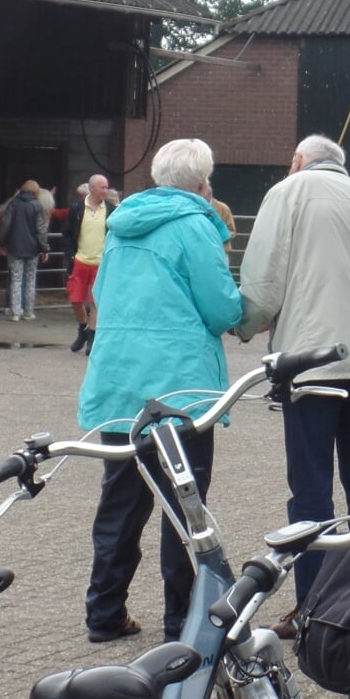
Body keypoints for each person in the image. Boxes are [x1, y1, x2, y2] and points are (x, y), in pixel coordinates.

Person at [78, 139, 241, 643]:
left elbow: (102, 293)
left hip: (120, 381)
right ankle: (182, 619)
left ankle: (104, 612)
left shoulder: (121, 225)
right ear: (202, 183)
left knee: (121, 501)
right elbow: (221, 309)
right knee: (185, 502)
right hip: (181, 388)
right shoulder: (196, 226)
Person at [237, 135, 350, 610]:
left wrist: (243, 324)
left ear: (298, 161)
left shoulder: (289, 191)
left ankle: (315, 605)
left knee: (311, 493)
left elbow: (264, 279)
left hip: (313, 362)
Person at [63, 174, 115, 353]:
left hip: (100, 263)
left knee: (94, 302)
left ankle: (92, 338)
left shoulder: (111, 210)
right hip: (80, 261)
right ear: (92, 188)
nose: (105, 191)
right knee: (76, 300)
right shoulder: (77, 209)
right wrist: (70, 255)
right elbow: (67, 234)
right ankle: (83, 329)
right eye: (102, 187)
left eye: (106, 187)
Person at [0, 179, 49, 321]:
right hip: (33, 249)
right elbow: (41, 229)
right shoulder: (37, 206)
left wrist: (2, 243)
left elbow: (5, 224)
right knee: (30, 280)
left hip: (14, 248)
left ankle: (15, 312)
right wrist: (45, 249)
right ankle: (28, 312)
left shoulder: (13, 204)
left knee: (16, 279)